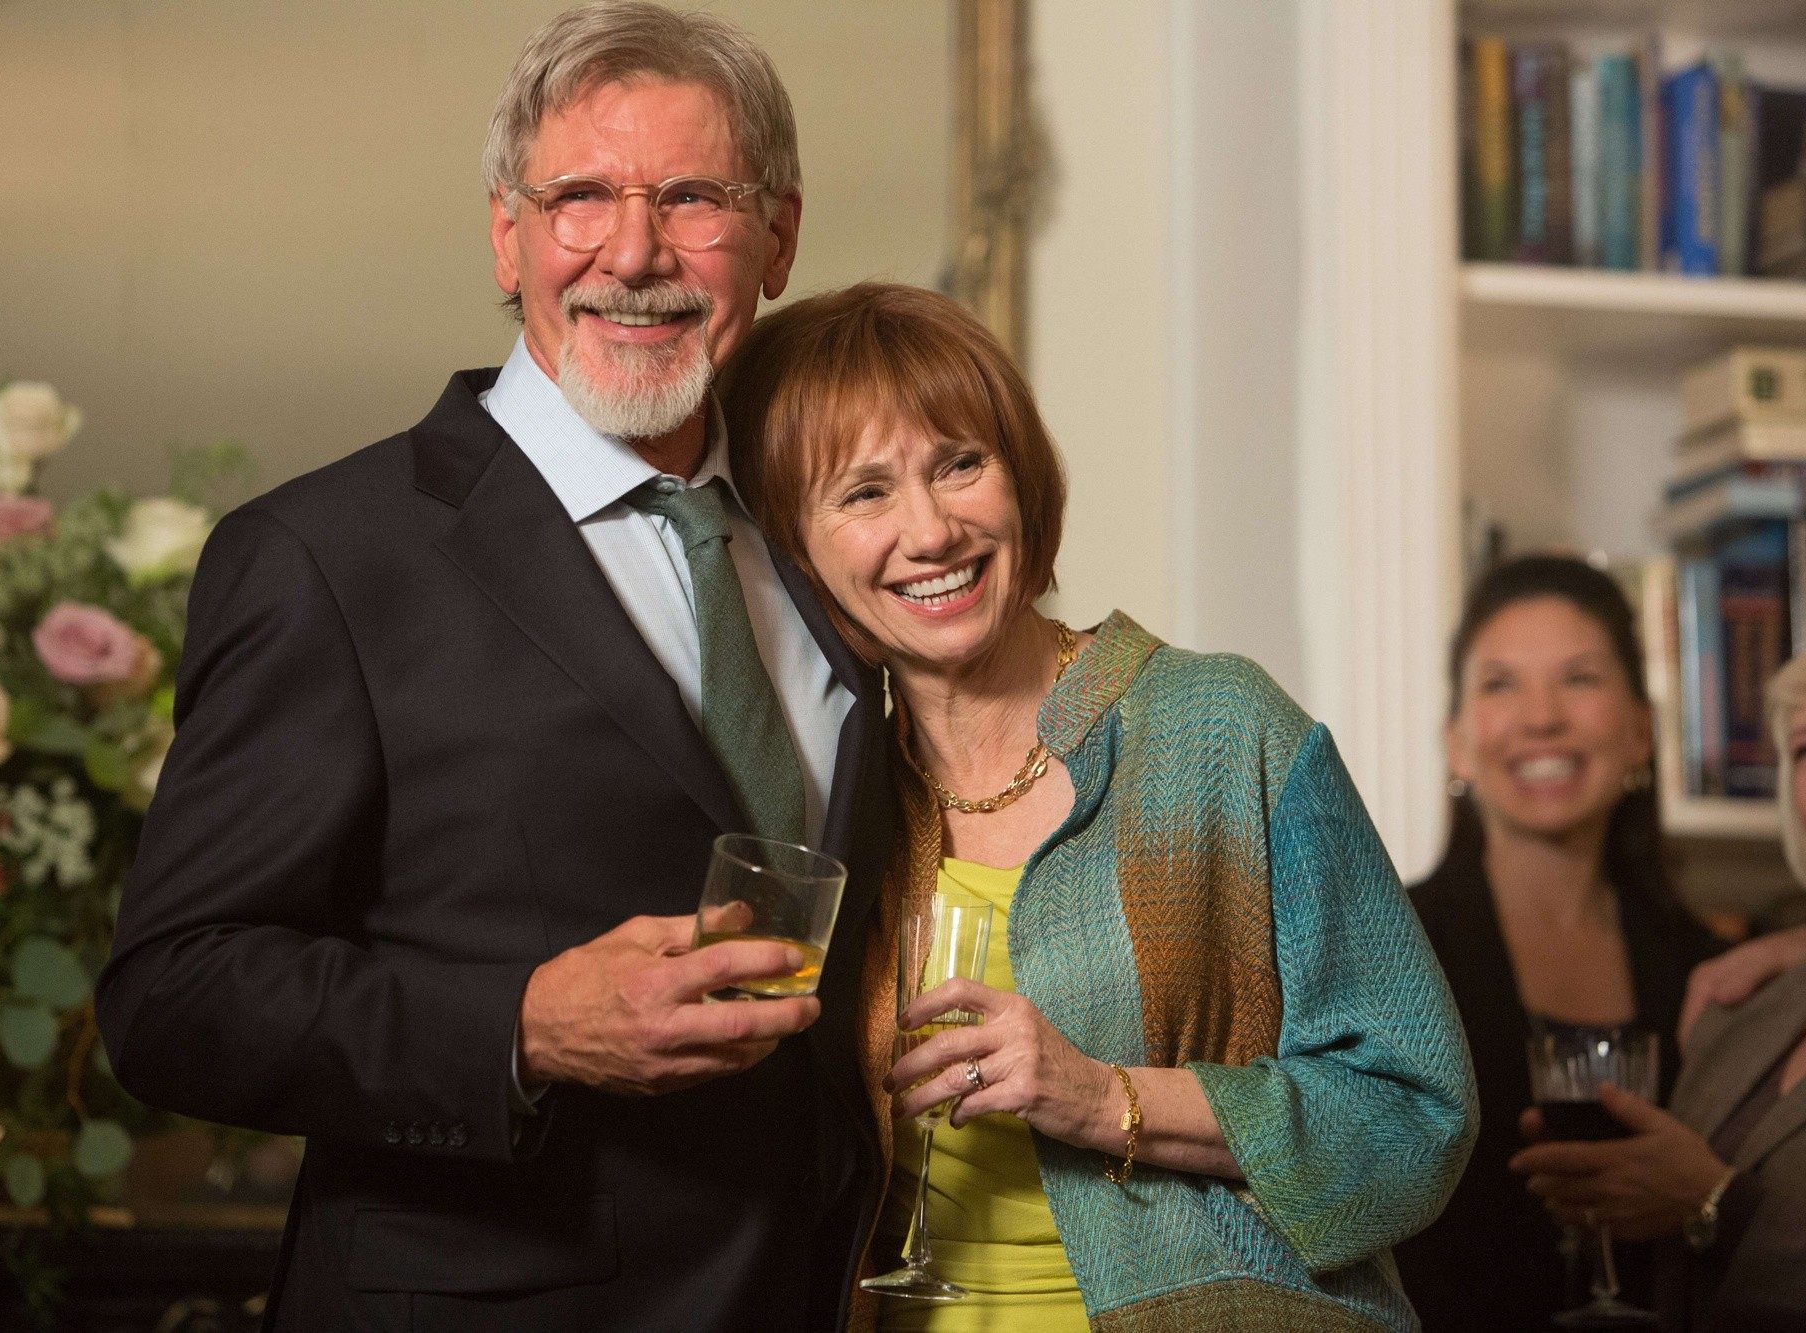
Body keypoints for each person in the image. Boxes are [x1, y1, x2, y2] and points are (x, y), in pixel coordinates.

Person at [94, 6, 892, 1328]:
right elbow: (171, 996)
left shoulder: (827, 540)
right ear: (507, 235)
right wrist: (521, 1025)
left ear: (780, 236)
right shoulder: (328, 556)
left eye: (692, 198)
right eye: (578, 197)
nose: (633, 253)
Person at [719, 282, 1476, 1330]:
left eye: (959, 464)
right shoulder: (835, 801)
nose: (929, 530)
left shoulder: (1221, 730)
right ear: (794, 550)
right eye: (864, 493)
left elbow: (1414, 1118)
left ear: (1022, 478)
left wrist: (1100, 1096)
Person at [1398, 554, 1725, 1331]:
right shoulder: (1386, 949)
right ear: (1456, 742)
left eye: (1579, 678)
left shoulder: (1712, 972)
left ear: (1641, 730)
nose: (1541, 717)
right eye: (1501, 684)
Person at [1510, 652, 1806, 1331]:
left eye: (1579, 679)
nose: (1542, 717)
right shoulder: (1738, 1002)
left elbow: (1706, 1207)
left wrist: (1715, 1204)